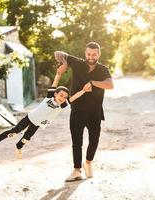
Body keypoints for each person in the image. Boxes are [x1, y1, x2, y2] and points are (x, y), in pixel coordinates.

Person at [0, 66, 90, 159]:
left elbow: (74, 97)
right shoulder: (50, 97)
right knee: (13, 132)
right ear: (55, 94)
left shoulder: (61, 105)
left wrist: (84, 91)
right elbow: (55, 83)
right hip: (29, 118)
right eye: (61, 95)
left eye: (65, 97)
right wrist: (58, 74)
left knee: (27, 138)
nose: (62, 98)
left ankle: (18, 147)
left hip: (38, 124)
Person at [54, 42, 114, 181]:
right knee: (77, 142)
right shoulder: (78, 63)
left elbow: (110, 85)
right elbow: (58, 53)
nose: (91, 57)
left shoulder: (103, 70)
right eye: (88, 54)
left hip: (95, 112)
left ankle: (88, 162)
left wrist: (93, 83)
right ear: (85, 53)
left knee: (94, 141)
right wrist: (64, 63)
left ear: (98, 54)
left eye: (94, 54)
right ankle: (76, 170)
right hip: (77, 110)